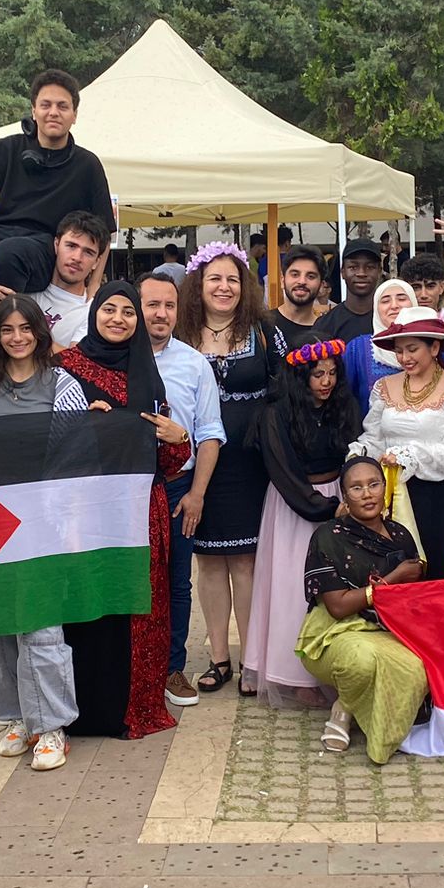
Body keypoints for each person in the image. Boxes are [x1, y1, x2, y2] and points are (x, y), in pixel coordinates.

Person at [0, 294, 90, 770]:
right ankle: (14, 717)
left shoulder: (62, 383)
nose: (17, 338)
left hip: (44, 522)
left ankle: (51, 725)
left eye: (25, 328)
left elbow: (75, 454)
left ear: (39, 333)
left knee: (42, 625)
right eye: (7, 329)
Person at [57, 280, 188, 739]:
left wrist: (179, 439)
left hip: (140, 511)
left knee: (135, 607)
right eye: (109, 309)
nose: (118, 319)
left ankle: (132, 709)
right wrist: (86, 428)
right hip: (83, 512)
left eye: (128, 312)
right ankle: (80, 712)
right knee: (87, 604)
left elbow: (167, 461)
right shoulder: (65, 367)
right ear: (94, 313)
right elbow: (51, 443)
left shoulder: (145, 372)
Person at [181, 243, 281, 693]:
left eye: (233, 280)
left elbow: (286, 384)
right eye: (215, 279)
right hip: (200, 465)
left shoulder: (263, 329)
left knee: (246, 561)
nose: (224, 287)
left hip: (253, 463)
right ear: (198, 285)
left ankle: (251, 659)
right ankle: (218, 658)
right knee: (208, 561)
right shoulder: (181, 333)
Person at [243, 340, 360, 708]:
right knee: (294, 589)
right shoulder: (275, 414)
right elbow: (284, 472)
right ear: (300, 376)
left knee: (337, 586)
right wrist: (325, 507)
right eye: (317, 374)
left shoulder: (344, 405)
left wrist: (349, 499)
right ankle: (294, 674)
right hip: (295, 504)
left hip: (339, 496)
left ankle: (331, 668)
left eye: (332, 373)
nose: (326, 381)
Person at [296, 455, 431, 759]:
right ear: (345, 496)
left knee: (419, 664)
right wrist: (392, 579)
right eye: (356, 488)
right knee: (362, 660)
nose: (367, 494)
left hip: (389, 629)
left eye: (374, 484)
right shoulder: (328, 536)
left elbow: (412, 599)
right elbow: (338, 607)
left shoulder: (400, 535)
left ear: (385, 487)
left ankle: (364, 714)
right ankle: (343, 711)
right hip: (333, 633)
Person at [0, 70, 113, 298]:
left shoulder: (87, 165)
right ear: (34, 111)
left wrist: (94, 286)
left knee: (11, 253)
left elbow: (105, 233)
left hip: (44, 247)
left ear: (74, 115)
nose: (53, 112)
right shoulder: (8, 149)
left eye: (62, 106)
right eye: (46, 105)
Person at [139, 273, 222, 708]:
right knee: (132, 580)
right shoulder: (116, 359)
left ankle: (173, 667)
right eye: (152, 304)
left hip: (177, 490)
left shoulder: (194, 364)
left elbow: (210, 433)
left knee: (177, 582)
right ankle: (134, 670)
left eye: (169, 306)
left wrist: (197, 494)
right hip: (128, 492)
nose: (161, 314)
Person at [352, 308, 444, 578]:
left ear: (434, 347)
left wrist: (408, 456)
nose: (405, 358)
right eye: (399, 351)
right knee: (394, 574)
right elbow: (374, 437)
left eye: (412, 349)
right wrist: (360, 456)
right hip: (390, 497)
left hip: (439, 500)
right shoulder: (384, 387)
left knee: (437, 572)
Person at [30, 210, 110, 351]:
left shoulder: (92, 312)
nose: (77, 258)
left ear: (96, 262)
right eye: (71, 246)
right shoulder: (26, 289)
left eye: (88, 252)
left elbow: (76, 360)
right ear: (56, 245)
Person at [338, 276, 416, 413]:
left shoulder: (435, 346)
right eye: (385, 301)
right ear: (376, 308)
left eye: (402, 299)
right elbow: (343, 400)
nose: (394, 305)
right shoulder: (358, 349)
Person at [314, 239, 385, 343]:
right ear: (343, 272)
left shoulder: (391, 321)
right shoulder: (325, 325)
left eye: (370, 267)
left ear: (379, 272)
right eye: (353, 267)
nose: (361, 273)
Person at [272, 244, 327, 348]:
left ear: (321, 285)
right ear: (282, 280)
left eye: (311, 276)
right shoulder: (262, 325)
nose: (302, 281)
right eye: (295, 274)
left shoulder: (326, 330)